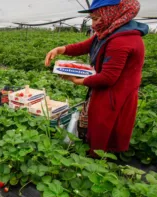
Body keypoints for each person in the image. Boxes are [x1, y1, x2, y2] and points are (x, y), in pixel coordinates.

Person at [44, 0, 148, 156]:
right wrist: (61, 49)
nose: (93, 24)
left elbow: (107, 78)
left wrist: (78, 80)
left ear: (110, 14)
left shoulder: (121, 40)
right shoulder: (110, 31)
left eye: (95, 18)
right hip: (108, 91)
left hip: (115, 94)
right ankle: (97, 154)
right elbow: (87, 45)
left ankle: (98, 162)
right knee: (99, 125)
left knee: (104, 128)